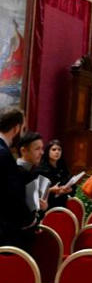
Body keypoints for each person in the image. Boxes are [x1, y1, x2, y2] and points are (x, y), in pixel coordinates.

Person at [0, 107, 37, 251]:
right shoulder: (4, 155)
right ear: (16, 128)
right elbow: (13, 197)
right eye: (23, 129)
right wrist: (31, 219)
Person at [18, 131, 46, 216]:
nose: (42, 152)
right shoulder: (16, 173)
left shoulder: (32, 170)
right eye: (37, 149)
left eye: (42, 148)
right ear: (23, 151)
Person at [39, 140, 73, 209]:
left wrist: (69, 189)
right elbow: (37, 192)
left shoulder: (63, 168)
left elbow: (71, 185)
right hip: (47, 206)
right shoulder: (41, 170)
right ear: (48, 151)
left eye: (59, 150)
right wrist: (51, 190)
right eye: (54, 149)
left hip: (63, 205)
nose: (57, 152)